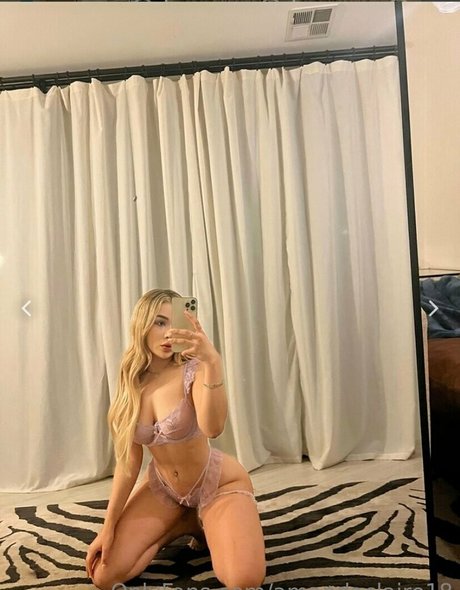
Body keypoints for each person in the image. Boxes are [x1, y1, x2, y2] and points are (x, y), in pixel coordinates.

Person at [85, 288, 266, 590]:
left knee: (243, 581)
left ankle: (209, 518)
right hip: (165, 490)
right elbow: (129, 463)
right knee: (104, 576)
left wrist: (213, 362)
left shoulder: (193, 370)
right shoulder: (132, 382)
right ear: (142, 325)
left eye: (175, 323)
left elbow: (213, 428)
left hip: (218, 484)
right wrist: (108, 527)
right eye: (159, 322)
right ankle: (183, 522)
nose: (169, 332)